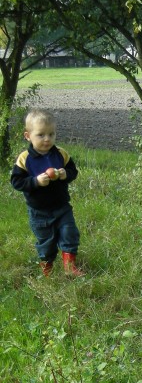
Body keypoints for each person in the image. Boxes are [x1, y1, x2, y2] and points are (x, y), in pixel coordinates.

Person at [10, 108, 84, 277]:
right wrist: (35, 181)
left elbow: (73, 170)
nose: (47, 139)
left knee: (69, 233)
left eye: (51, 134)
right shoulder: (24, 158)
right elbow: (17, 181)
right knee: (46, 241)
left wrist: (66, 175)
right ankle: (47, 268)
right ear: (28, 136)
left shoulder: (60, 154)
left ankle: (69, 267)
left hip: (62, 206)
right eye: (41, 135)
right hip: (39, 211)